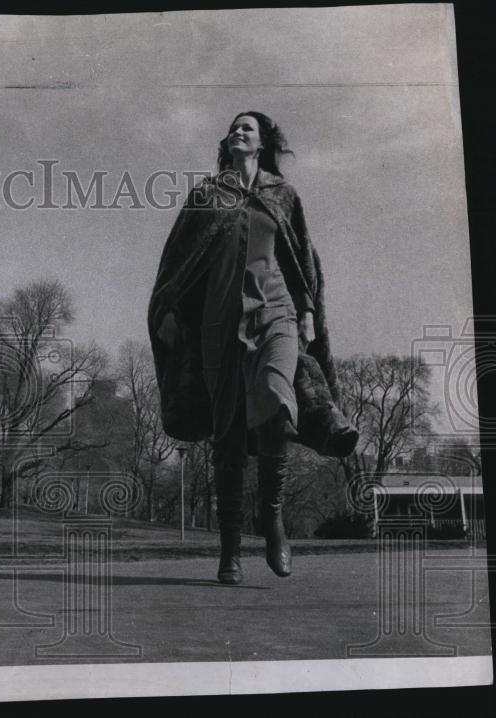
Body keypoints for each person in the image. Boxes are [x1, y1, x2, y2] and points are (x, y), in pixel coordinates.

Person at [147, 111, 357, 585]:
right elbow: (177, 259)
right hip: (218, 320)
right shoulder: (206, 194)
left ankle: (273, 519)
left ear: (262, 143)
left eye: (248, 128)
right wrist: (168, 310)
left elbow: (301, 254)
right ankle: (230, 550)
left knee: (277, 402)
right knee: (228, 433)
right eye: (234, 128)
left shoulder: (282, 193)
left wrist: (305, 311)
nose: (237, 132)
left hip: (275, 310)